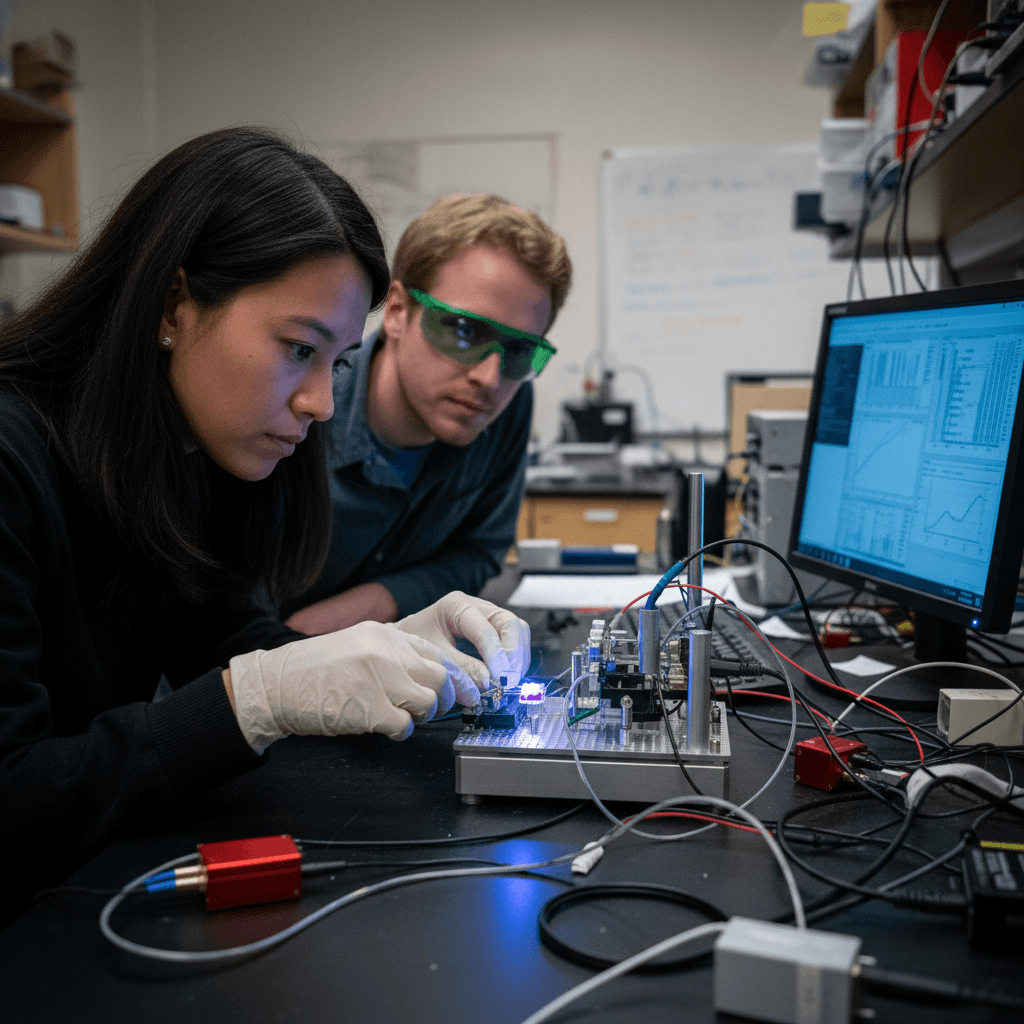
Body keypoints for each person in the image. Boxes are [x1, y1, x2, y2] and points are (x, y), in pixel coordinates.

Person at [0, 128, 530, 922]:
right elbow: (12, 799)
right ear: (173, 304)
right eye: (297, 349)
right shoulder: (14, 460)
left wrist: (382, 649)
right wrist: (250, 701)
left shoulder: (185, 452)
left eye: (337, 363)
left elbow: (222, 635)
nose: (319, 401)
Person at [283, 195, 572, 635]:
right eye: (464, 330)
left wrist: (378, 601)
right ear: (398, 311)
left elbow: (479, 551)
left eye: (518, 350)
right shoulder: (301, 408)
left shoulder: (508, 408)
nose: (490, 378)